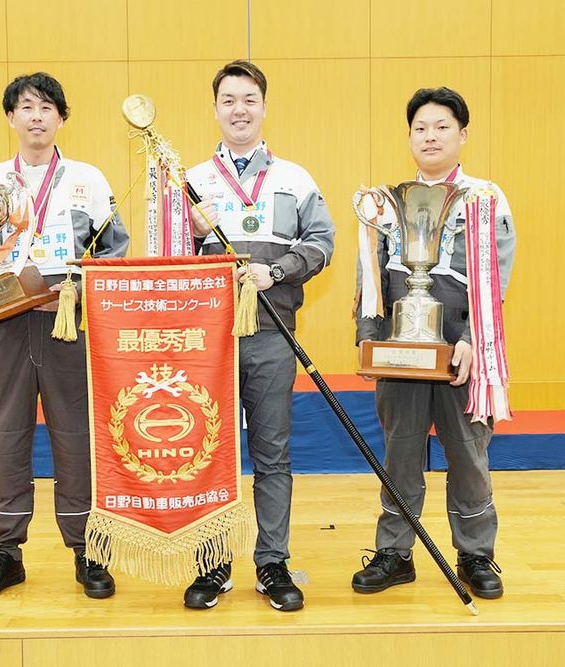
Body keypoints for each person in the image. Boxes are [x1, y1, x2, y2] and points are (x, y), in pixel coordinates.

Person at [0, 72, 129, 601]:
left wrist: (77, 282)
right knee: (3, 438)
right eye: (26, 107)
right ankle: (3, 554)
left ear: (61, 118)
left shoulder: (89, 180)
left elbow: (114, 253)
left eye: (47, 107)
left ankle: (88, 550)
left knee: (76, 438)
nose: (36, 116)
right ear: (10, 117)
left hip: (64, 324)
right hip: (1, 325)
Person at [351, 87, 516, 600]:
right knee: (400, 450)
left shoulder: (485, 199)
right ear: (409, 137)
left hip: (464, 350)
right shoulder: (384, 203)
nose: (430, 135)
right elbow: (371, 274)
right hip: (401, 349)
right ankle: (395, 552)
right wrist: (369, 339)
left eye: (442, 126)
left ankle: (476, 554)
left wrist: (471, 338)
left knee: (468, 452)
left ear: (462, 135)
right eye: (421, 127)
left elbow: (497, 277)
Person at [184, 60, 336, 612]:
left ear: (264, 106)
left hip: (273, 334)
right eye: (228, 99)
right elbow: (168, 261)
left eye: (249, 99)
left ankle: (272, 561)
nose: (239, 109)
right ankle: (211, 563)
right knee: (208, 452)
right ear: (216, 108)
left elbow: (323, 244)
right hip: (207, 339)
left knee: (272, 454)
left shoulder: (295, 179)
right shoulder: (192, 182)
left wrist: (277, 271)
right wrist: (194, 239)